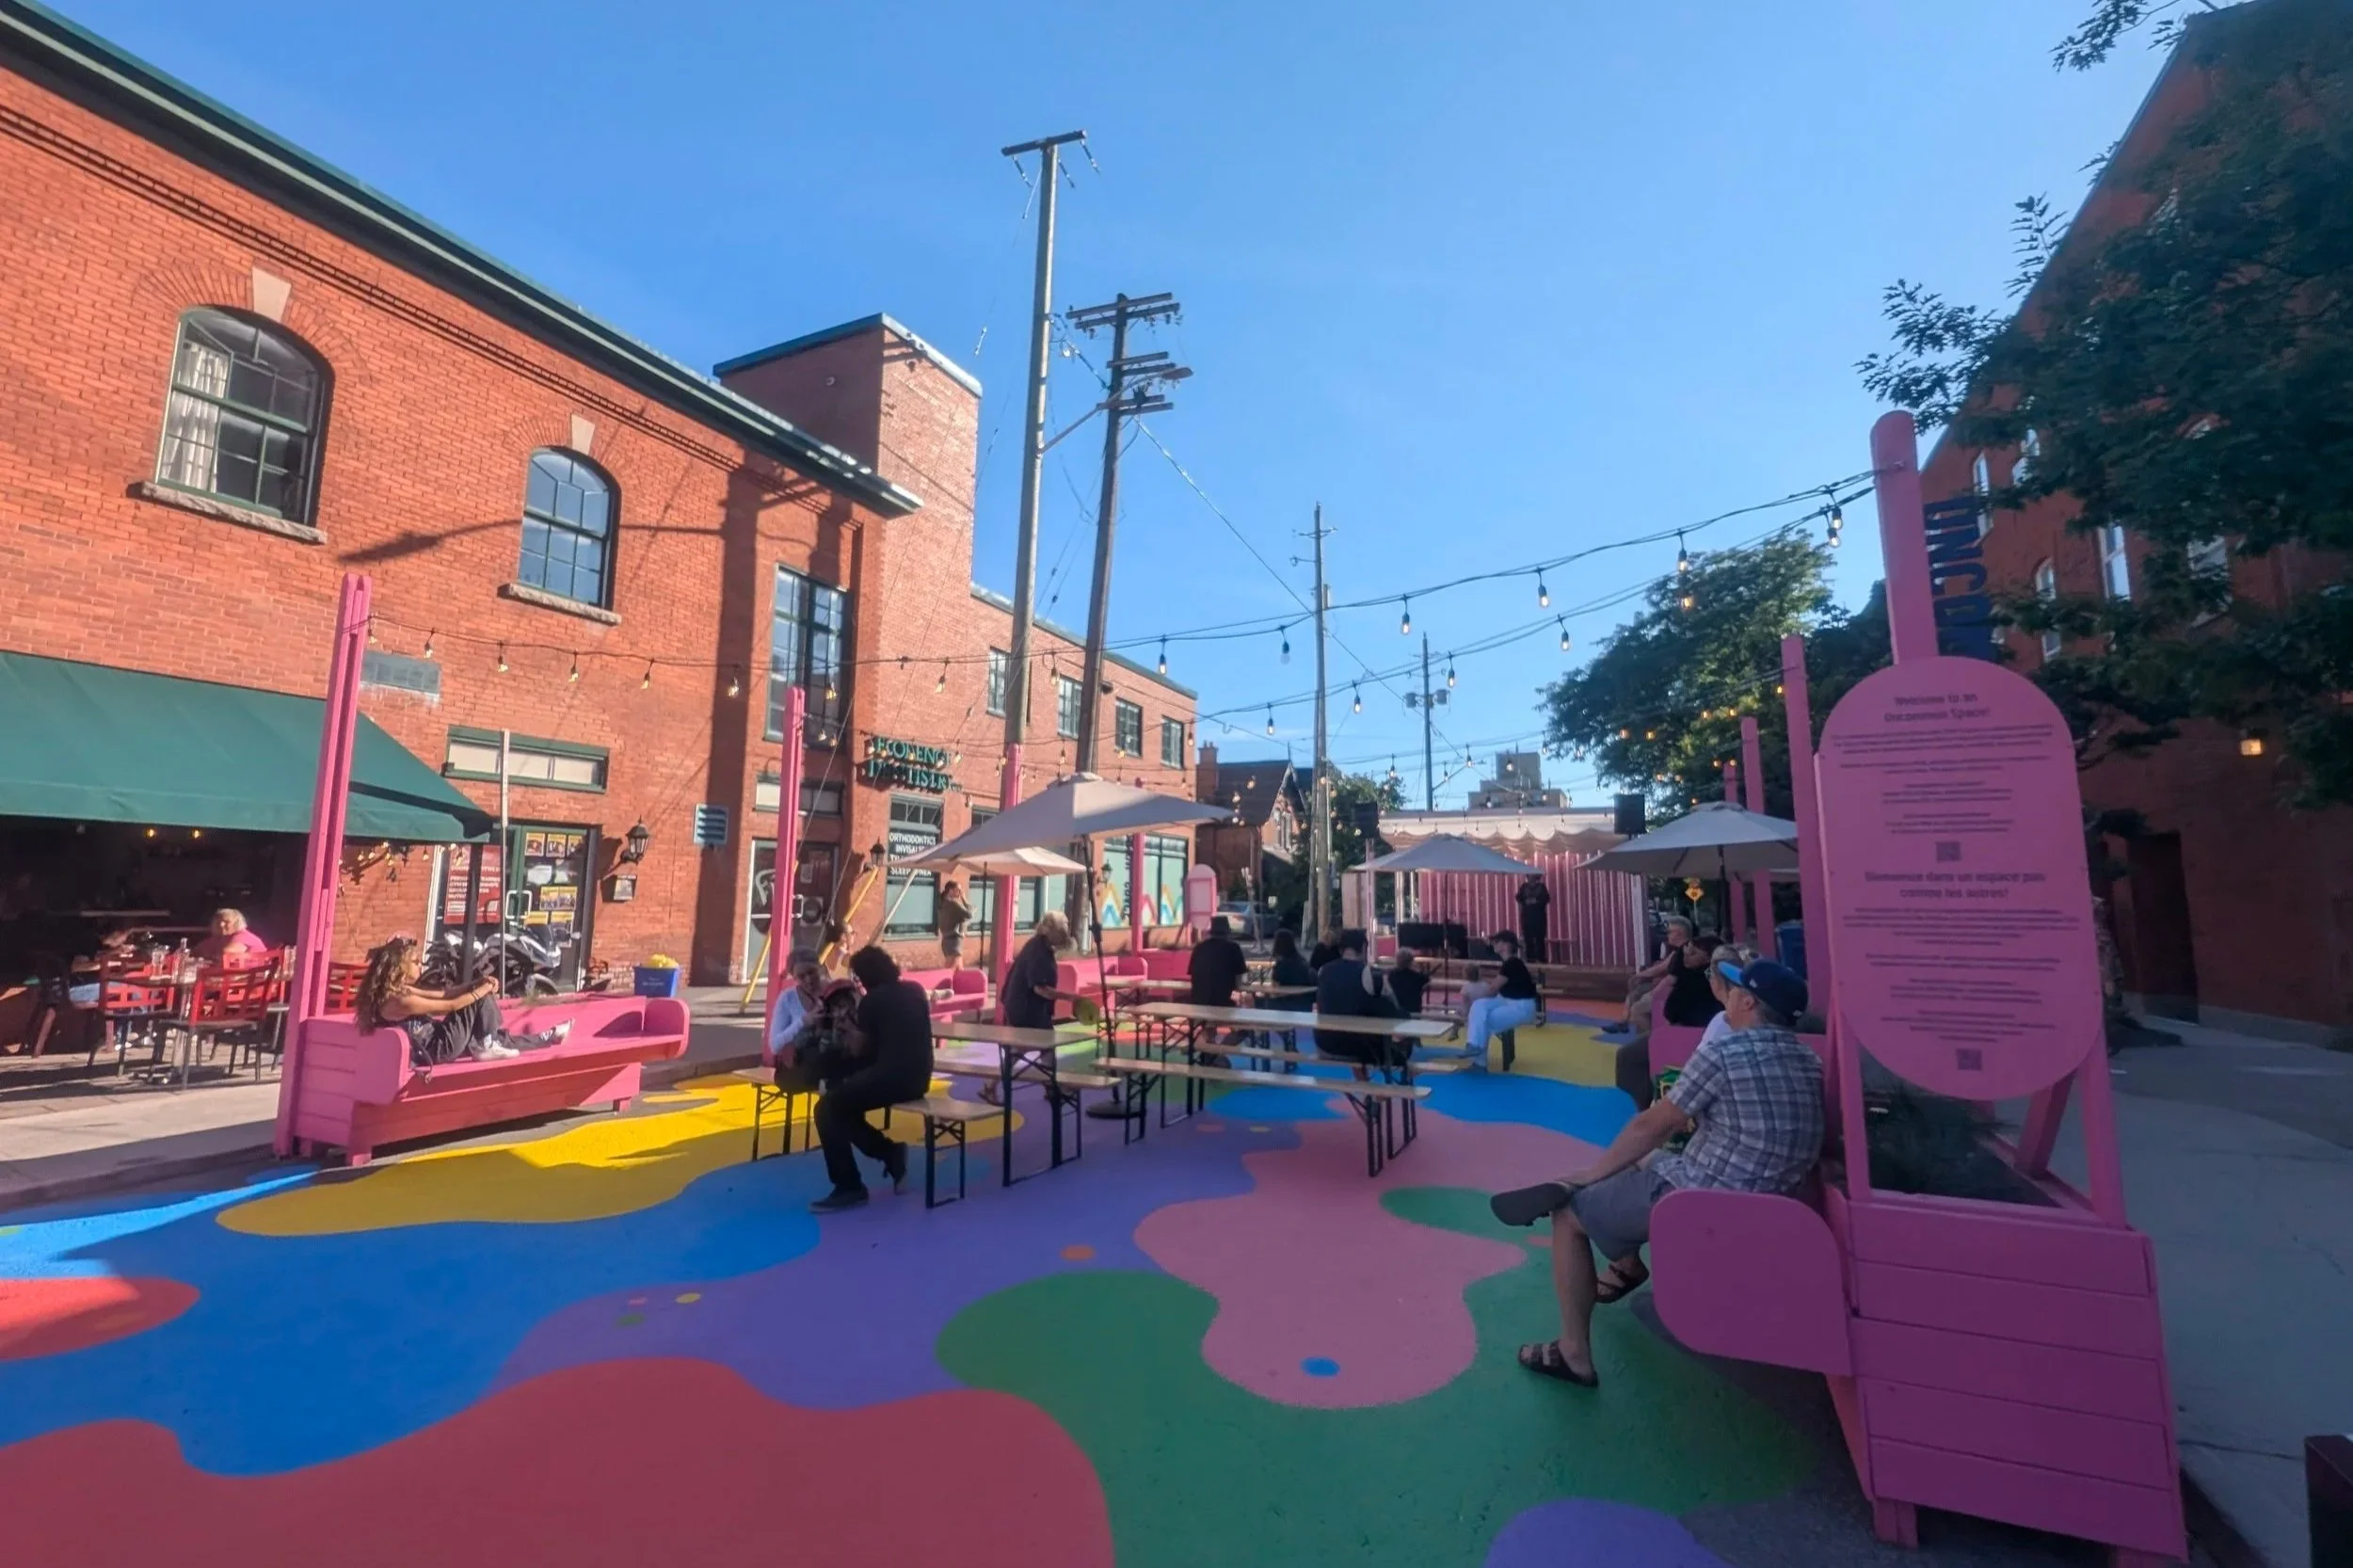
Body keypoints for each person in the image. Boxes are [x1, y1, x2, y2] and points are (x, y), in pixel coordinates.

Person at [1488, 958, 1821, 1388]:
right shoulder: (1809, 1060)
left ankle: (1573, 1353)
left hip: (1701, 1199)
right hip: (1774, 1206)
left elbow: (1654, 1123)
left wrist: (1592, 1173)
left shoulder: (1725, 1051)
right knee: (1646, 1157)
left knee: (1569, 1214)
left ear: (1747, 1001)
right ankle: (1625, 1262)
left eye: (1736, 989)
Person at [808, 947, 936, 1213]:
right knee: (841, 1109)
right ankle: (889, 1154)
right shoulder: (915, 991)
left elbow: (862, 1050)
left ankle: (850, 1185)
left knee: (826, 1108)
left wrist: (844, 1029)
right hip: (919, 1077)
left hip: (892, 1077)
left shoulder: (873, 1001)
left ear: (865, 977)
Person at [353, 936, 568, 1066]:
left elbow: (446, 993)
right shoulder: (397, 1001)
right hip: (438, 1048)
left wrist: (475, 983)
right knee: (480, 1004)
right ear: (398, 966)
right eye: (415, 962)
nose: (421, 965)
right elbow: (451, 1005)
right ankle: (487, 1043)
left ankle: (547, 1037)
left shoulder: (399, 991)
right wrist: (481, 991)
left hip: (439, 1042)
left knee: (500, 1039)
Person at [1312, 928, 1404, 1075]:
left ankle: (1368, 1091)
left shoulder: (1323, 970)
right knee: (1400, 1055)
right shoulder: (1370, 973)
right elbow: (1394, 1006)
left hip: (1323, 1044)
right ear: (1363, 947)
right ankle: (1382, 1094)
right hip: (1356, 1047)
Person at [1600, 917, 1692, 1042]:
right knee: (1635, 993)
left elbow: (1671, 979)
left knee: (1638, 1009)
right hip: (1670, 988)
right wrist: (1640, 975)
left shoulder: (1685, 952)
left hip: (1676, 992)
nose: (1667, 935)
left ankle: (1648, 1042)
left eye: (1669, 932)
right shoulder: (1677, 951)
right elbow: (1661, 967)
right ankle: (1625, 1024)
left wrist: (1653, 994)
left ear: (1679, 933)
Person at [1464, 931, 1541, 1071]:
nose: (1493, 945)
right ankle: (1473, 1046)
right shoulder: (1510, 963)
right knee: (1479, 1006)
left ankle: (1478, 1060)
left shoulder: (1512, 963)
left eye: (1496, 942)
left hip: (1521, 1007)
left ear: (1505, 945)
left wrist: (1470, 1002)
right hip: (1507, 1001)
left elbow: (1493, 988)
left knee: (1482, 1019)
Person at [1001, 910, 1073, 1031]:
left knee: (1044, 1043)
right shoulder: (1039, 951)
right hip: (1025, 1011)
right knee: (1046, 1043)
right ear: (1051, 930)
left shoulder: (1038, 945)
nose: (1065, 934)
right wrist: (1071, 997)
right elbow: (1040, 989)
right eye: (1062, 931)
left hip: (1022, 1008)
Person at [764, 952, 825, 1064]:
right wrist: (802, 1022)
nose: (809, 980)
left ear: (819, 968)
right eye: (801, 977)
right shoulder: (787, 998)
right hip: (804, 1064)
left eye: (811, 972)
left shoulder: (835, 989)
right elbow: (774, 1045)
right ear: (794, 978)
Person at [1188, 916, 1248, 1007]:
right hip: (1223, 1002)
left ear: (1211, 933)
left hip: (1198, 1002)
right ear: (1227, 932)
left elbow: (1193, 974)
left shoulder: (1199, 948)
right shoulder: (1233, 948)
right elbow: (1239, 979)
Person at [194, 908, 268, 969]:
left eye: (226, 922)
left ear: (237, 923)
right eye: (218, 922)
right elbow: (196, 951)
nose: (221, 924)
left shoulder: (243, 935)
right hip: (231, 979)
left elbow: (226, 955)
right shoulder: (221, 937)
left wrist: (208, 955)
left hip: (250, 982)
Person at [1264, 929, 1317, 1012]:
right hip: (1305, 1004)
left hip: (1285, 1006)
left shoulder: (1281, 965)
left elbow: (1275, 990)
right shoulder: (1302, 961)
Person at [1514, 874, 1552, 965]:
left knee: (1540, 939)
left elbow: (1546, 898)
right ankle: (1530, 959)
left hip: (1539, 917)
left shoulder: (1541, 886)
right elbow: (1518, 897)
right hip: (1527, 917)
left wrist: (1536, 901)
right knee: (1528, 939)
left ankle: (1541, 959)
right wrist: (1526, 901)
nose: (1531, 877)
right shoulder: (1523, 886)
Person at [936, 880, 971, 975]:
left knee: (959, 970)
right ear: (950, 890)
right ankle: (944, 987)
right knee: (951, 970)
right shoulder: (953, 904)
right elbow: (969, 914)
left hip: (947, 940)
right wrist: (964, 899)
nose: (960, 892)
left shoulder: (942, 904)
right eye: (958, 890)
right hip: (954, 941)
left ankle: (959, 988)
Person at [1386, 945, 1430, 1017]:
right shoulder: (1417, 977)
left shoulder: (1392, 975)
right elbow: (1426, 981)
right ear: (1411, 961)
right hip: (1413, 1011)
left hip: (1397, 1011)